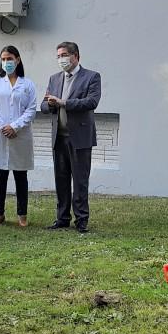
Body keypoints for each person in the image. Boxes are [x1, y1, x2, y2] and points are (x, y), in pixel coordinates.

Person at [42, 41, 101, 233]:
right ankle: (62, 218)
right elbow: (43, 106)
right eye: (58, 56)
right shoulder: (54, 78)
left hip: (80, 137)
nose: (61, 59)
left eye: (64, 55)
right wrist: (50, 104)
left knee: (80, 180)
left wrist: (63, 102)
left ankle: (81, 220)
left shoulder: (91, 77)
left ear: (76, 56)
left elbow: (92, 102)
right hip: (59, 137)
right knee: (61, 179)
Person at [0, 45, 37, 227]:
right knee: (0, 176)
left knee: (21, 176)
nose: (7, 62)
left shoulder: (27, 84)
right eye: (4, 59)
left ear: (18, 59)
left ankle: (22, 215)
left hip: (20, 136)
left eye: (10, 59)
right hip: (0, 135)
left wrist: (15, 126)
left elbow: (31, 110)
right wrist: (3, 127)